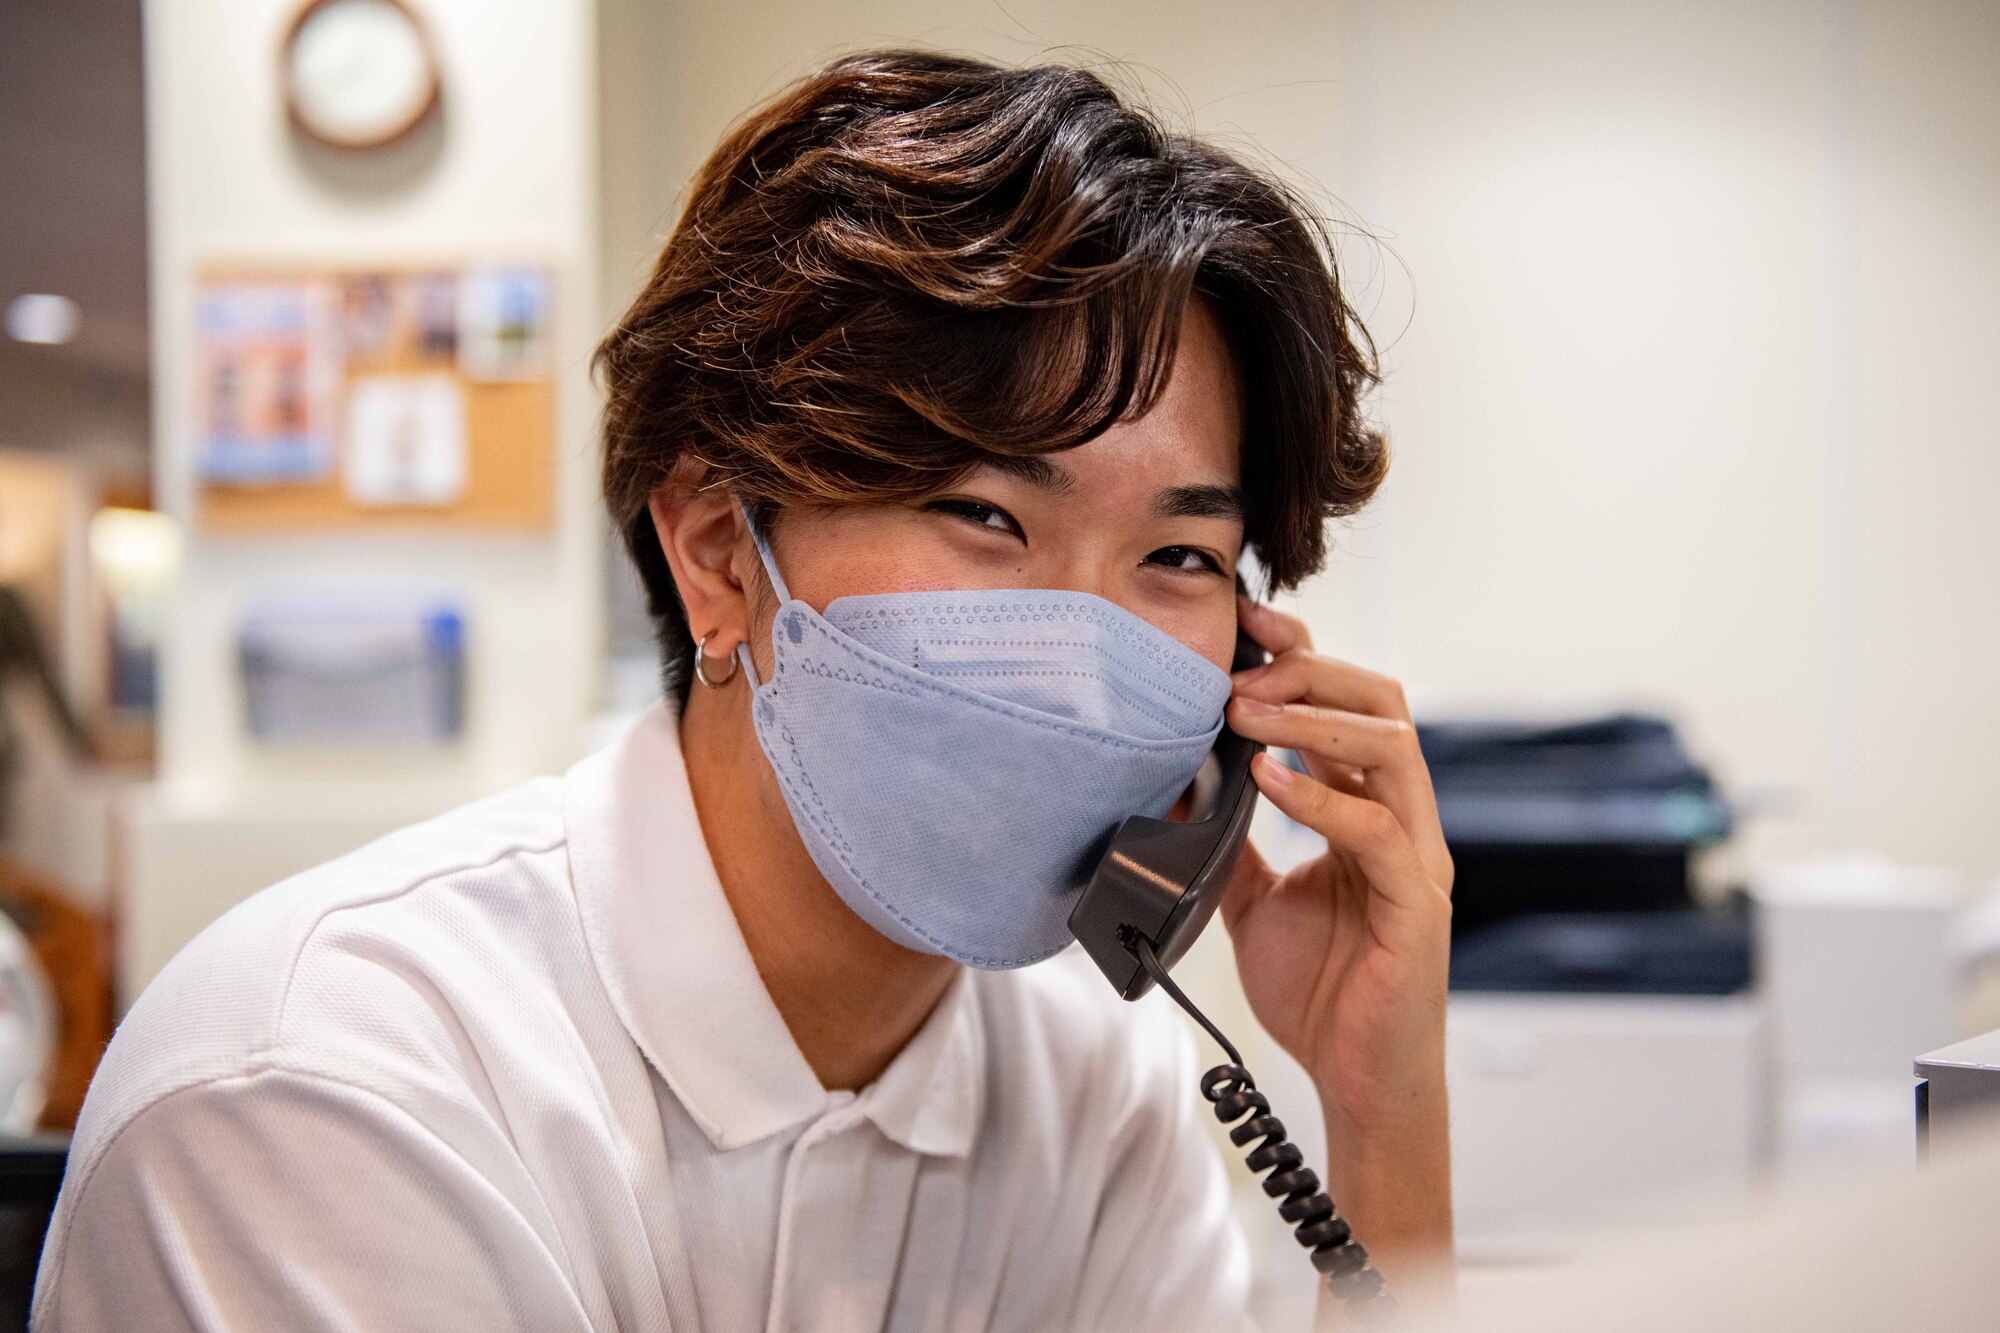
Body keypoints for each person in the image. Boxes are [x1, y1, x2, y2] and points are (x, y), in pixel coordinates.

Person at [34, 51, 1455, 1331]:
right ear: (719, 551)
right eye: (984, 513)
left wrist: (1381, 1119)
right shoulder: (329, 1087)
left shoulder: (1093, 1077)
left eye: (1180, 555)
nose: (1087, 642)